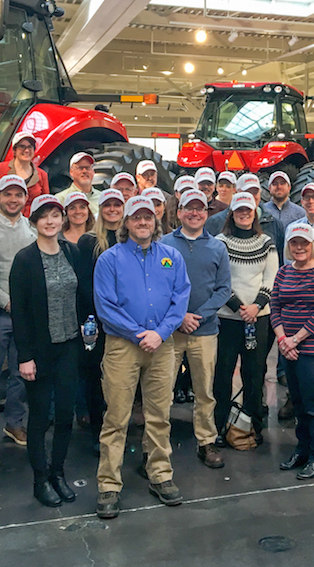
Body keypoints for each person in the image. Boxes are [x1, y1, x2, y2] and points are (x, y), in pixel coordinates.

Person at [94, 196, 191, 515]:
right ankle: (109, 483)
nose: (143, 222)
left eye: (148, 217)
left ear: (157, 221)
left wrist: (160, 333)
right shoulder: (109, 259)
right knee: (116, 416)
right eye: (136, 218)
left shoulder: (172, 257)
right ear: (126, 223)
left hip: (162, 346)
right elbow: (105, 306)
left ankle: (160, 474)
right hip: (123, 346)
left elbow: (180, 298)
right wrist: (139, 334)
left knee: (159, 414)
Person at [10, 194, 92, 507]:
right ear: (34, 222)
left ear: (63, 220)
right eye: (44, 216)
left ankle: (58, 472)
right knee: (40, 417)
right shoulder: (25, 259)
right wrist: (24, 356)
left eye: (55, 215)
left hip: (69, 345)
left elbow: (82, 295)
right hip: (40, 350)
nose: (50, 221)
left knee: (65, 414)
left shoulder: (72, 252)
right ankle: (40, 478)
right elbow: (20, 312)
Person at [160, 189, 232, 468]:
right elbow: (159, 287)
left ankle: (206, 441)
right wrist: (179, 318)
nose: (194, 213)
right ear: (178, 213)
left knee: (204, 391)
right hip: (170, 332)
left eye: (200, 209)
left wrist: (197, 316)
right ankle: (157, 446)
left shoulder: (217, 248)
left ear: (207, 214)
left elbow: (223, 289)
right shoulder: (164, 245)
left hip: (205, 331)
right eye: (188, 208)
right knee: (162, 390)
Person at [271, 222, 314, 480]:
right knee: (298, 403)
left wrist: (295, 339)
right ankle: (302, 449)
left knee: (313, 404)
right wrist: (282, 339)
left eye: (304, 243)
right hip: (288, 347)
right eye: (294, 243)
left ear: (312, 246)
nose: (299, 248)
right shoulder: (283, 272)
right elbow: (275, 305)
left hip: (313, 349)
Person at [0, 175, 36, 457]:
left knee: (21, 372)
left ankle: (15, 424)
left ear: (26, 199)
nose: (13, 199)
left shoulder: (31, 230)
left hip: (26, 316)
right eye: (7, 194)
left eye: (18, 195)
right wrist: (4, 300)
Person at [214, 192, 279, 445]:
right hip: (228, 319)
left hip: (258, 319)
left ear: (255, 214)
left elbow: (271, 278)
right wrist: (240, 307)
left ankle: (253, 425)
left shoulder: (266, 242)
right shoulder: (220, 242)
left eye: (248, 210)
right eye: (239, 210)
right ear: (232, 213)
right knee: (223, 373)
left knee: (255, 373)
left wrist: (256, 306)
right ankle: (220, 425)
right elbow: (219, 279)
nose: (244, 214)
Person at [77, 188, 126, 443]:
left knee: (121, 375)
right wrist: (100, 314)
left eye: (117, 205)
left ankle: (119, 426)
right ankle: (98, 427)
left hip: (125, 320)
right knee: (96, 373)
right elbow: (84, 283)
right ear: (100, 209)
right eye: (107, 205)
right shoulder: (88, 241)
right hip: (96, 319)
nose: (112, 209)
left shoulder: (131, 240)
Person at [0, 131, 50, 216]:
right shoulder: (0, 169)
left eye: (30, 147)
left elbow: (45, 203)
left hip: (31, 223)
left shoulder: (42, 175)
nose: (27, 150)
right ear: (14, 150)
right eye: (22, 147)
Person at [56, 152, 102, 216]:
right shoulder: (60, 199)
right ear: (71, 172)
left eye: (87, 168)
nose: (84, 171)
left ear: (93, 171)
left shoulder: (102, 198)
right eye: (80, 168)